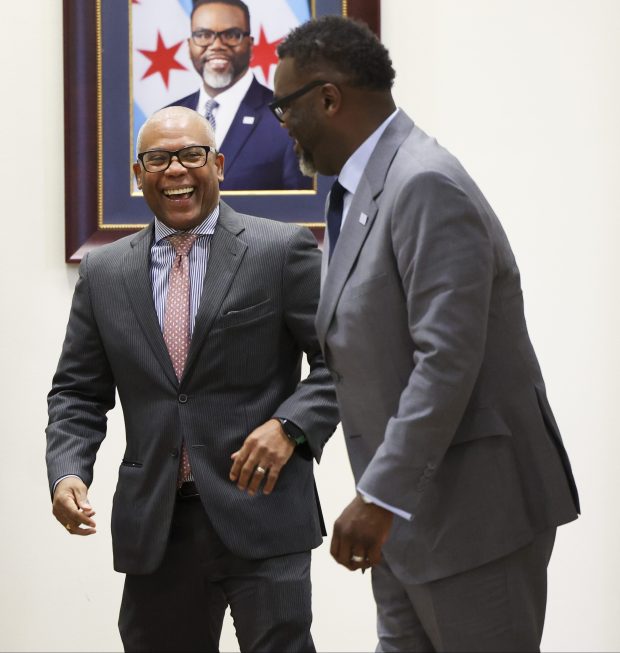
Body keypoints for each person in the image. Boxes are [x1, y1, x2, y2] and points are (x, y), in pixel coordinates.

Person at [273, 16, 580, 652]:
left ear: (328, 99)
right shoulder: (361, 191)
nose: (283, 124)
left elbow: (446, 360)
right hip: (411, 516)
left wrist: (380, 495)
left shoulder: (424, 182)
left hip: (473, 516)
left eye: (284, 107)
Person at [46, 106, 339, 652]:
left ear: (219, 164)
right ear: (139, 175)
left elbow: (341, 363)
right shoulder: (104, 272)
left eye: (191, 155)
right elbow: (77, 392)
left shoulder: (282, 250)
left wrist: (291, 426)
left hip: (265, 513)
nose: (175, 169)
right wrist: (67, 471)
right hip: (157, 523)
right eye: (158, 158)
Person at [170, 0, 311, 192]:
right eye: (203, 35)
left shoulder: (287, 119)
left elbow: (302, 210)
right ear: (189, 45)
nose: (217, 45)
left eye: (231, 35)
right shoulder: (168, 117)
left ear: (250, 44)